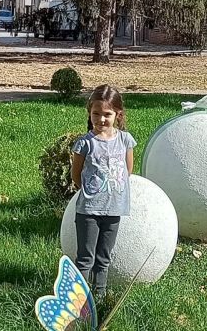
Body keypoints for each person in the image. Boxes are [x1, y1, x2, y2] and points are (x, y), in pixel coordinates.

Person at [70, 85, 136, 302]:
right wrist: (93, 193)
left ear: (118, 115)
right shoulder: (85, 143)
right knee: (85, 259)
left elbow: (127, 171)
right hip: (88, 210)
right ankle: (80, 302)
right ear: (89, 113)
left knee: (103, 258)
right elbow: (76, 175)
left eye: (107, 114)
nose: (101, 119)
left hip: (114, 209)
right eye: (96, 113)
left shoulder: (125, 140)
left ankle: (99, 298)